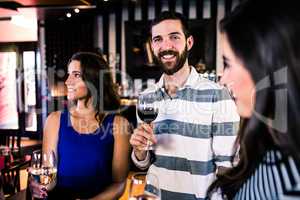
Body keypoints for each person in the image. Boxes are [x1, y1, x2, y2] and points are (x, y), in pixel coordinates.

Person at [130, 11, 240, 200]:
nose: (166, 46)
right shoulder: (146, 98)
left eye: (174, 37)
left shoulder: (217, 95)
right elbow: (145, 163)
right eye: (158, 39)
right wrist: (139, 151)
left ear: (189, 42)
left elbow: (227, 168)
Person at [207, 0, 300, 199]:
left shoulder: (292, 186)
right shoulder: (270, 142)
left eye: (228, 63)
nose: (223, 79)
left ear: (265, 67)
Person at [30, 52, 131, 199]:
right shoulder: (54, 120)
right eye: (69, 74)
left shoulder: (119, 124)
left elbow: (119, 184)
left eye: (76, 75)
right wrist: (39, 185)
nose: (67, 81)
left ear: (94, 80)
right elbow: (49, 177)